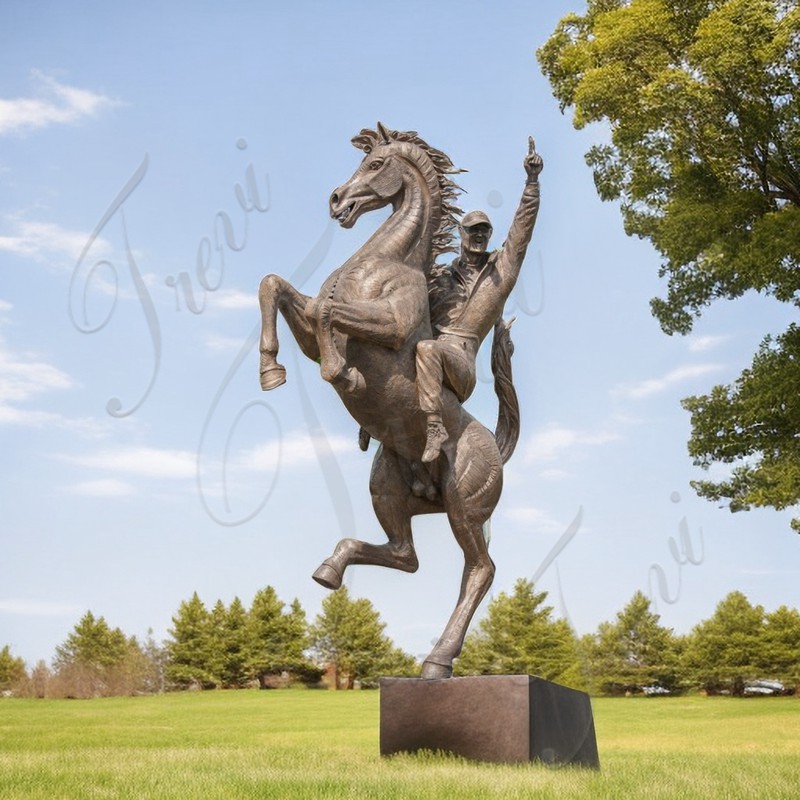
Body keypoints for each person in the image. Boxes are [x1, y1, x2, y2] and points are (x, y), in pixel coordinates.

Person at [416, 137, 543, 463]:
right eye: (473, 231)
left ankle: (434, 427)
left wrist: (531, 183)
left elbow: (521, 233)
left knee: (428, 349)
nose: (479, 236)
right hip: (429, 353)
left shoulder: (500, 271)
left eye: (484, 232)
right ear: (461, 234)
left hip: (459, 361)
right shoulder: (440, 277)